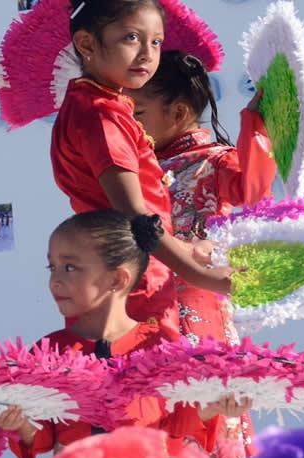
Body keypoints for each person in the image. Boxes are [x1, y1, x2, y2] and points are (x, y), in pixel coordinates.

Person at [0, 210, 251, 458]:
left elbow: (176, 428)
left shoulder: (163, 346)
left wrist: (214, 407)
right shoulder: (48, 351)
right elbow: (44, 437)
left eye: (69, 267)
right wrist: (19, 423)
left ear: (117, 279)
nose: (55, 280)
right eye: (52, 267)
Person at [127, 50, 275, 458]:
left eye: (138, 113)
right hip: (143, 320)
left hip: (197, 320)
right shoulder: (135, 170)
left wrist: (254, 123)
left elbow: (253, 188)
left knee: (206, 435)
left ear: (177, 111)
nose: (130, 125)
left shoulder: (215, 161)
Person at [50, 0, 232, 336]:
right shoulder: (102, 113)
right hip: (132, 281)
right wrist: (204, 277)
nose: (147, 53)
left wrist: (189, 250)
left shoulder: (91, 105)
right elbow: (136, 218)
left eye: (156, 42)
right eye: (132, 38)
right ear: (87, 43)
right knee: (149, 384)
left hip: (118, 278)